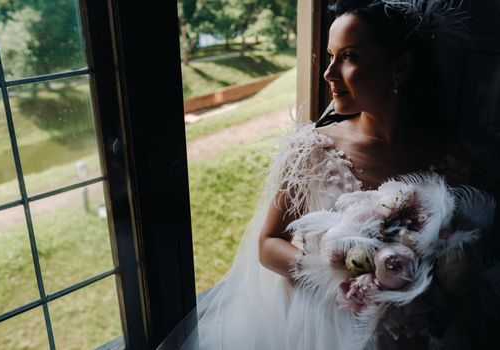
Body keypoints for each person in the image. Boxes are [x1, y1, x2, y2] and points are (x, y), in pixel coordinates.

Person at [169, 1, 500, 349]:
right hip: (319, 328)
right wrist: (342, 279)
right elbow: (268, 244)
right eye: (330, 55)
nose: (329, 73)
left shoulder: (459, 163)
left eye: (349, 56)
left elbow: (470, 259)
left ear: (399, 67)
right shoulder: (312, 150)